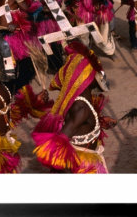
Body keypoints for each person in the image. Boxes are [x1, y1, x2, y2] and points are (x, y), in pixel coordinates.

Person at [32, 41, 111, 173]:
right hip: (81, 168)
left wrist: (99, 122)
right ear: (86, 77)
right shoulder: (81, 107)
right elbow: (58, 146)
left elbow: (80, 125)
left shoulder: (79, 101)